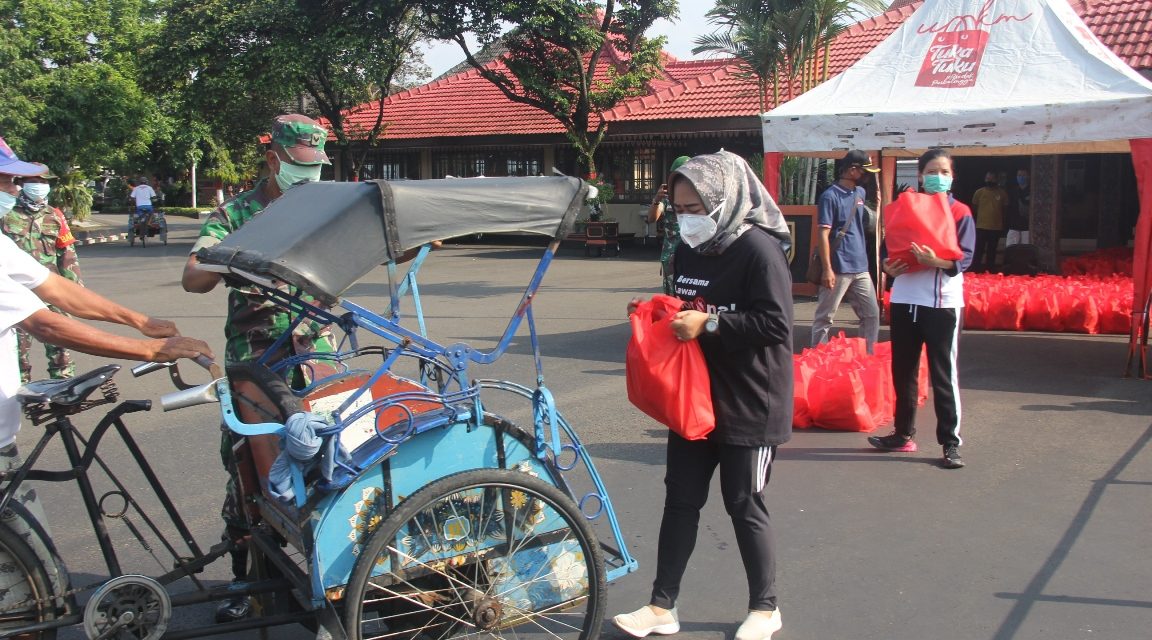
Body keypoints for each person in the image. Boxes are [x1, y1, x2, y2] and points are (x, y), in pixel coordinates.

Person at [614, 150, 793, 640]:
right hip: (693, 399)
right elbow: (687, 304)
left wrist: (710, 323)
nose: (687, 219)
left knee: (743, 501)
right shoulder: (690, 250)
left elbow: (776, 324)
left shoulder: (759, 251)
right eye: (680, 209)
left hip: (750, 402)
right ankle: (661, 606)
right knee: (681, 500)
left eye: (696, 209)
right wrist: (656, 308)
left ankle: (765, 608)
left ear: (725, 199)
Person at [181, 113, 335, 623]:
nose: (309, 178)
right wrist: (241, 253)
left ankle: (330, 575)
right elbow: (193, 278)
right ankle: (243, 579)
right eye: (299, 166)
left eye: (316, 167)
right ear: (274, 160)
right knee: (248, 469)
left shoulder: (321, 210)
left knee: (330, 461)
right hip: (255, 362)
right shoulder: (238, 214)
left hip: (315, 357)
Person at [868, 148, 975, 469]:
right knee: (904, 372)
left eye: (944, 172)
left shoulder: (960, 212)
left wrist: (936, 261)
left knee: (944, 374)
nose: (938, 177)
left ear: (952, 177)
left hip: (942, 302)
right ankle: (903, 434)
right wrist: (889, 268)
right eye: (932, 171)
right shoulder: (903, 208)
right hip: (904, 299)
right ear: (919, 175)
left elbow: (965, 259)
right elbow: (888, 254)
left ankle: (950, 442)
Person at [2, 162, 84, 382]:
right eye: (32, 181)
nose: (38, 186)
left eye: (42, 182)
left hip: (51, 288)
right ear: (21, 183)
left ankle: (63, 385)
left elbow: (67, 253)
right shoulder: (6, 213)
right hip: (15, 292)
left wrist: (75, 289)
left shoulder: (54, 215)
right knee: (17, 349)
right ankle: (20, 390)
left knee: (61, 344)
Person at [810, 149, 880, 354]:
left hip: (861, 267)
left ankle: (869, 356)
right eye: (865, 171)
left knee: (871, 314)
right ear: (852, 170)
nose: (868, 176)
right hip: (838, 267)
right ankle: (817, 356)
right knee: (825, 316)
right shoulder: (830, 196)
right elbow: (823, 234)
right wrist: (827, 269)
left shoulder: (860, 193)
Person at [648, 156, 691, 295]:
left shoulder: (699, 196)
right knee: (671, 295)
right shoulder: (666, 198)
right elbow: (652, 218)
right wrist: (657, 199)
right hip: (671, 253)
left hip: (693, 253)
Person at [970, 171, 1007, 271]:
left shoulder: (1002, 193)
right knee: (979, 249)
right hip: (981, 226)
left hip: (996, 227)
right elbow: (974, 207)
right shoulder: (979, 192)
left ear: (996, 180)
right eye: (987, 178)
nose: (989, 180)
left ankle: (990, 270)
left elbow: (1005, 209)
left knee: (992, 250)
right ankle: (975, 269)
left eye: (991, 178)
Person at [1005, 168, 1031, 247]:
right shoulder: (1012, 191)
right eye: (1019, 175)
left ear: (1028, 176)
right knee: (1010, 249)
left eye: (1023, 175)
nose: (1021, 177)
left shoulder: (1032, 191)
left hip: (1027, 227)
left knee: (1026, 250)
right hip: (1014, 226)